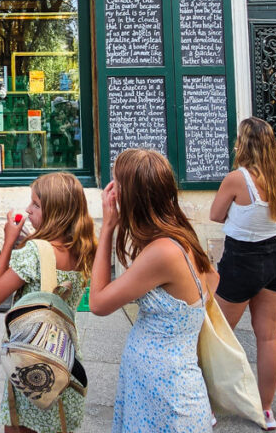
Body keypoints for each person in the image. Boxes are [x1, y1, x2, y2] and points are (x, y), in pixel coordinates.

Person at [90, 148, 218, 433]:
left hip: (164, 389)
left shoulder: (163, 252)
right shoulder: (179, 234)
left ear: (130, 196)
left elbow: (97, 302)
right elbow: (214, 280)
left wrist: (108, 227)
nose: (112, 193)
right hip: (159, 381)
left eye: (116, 185)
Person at [0, 172, 96, 433]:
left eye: (35, 204)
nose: (27, 209)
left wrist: (10, 242)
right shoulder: (84, 247)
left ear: (55, 212)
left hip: (32, 363)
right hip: (63, 362)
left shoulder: (35, 252)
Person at [209, 117, 276, 430]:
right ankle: (267, 411)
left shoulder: (237, 178)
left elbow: (215, 215)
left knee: (218, 336)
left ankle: (206, 406)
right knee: (268, 336)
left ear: (244, 144)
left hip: (242, 260)